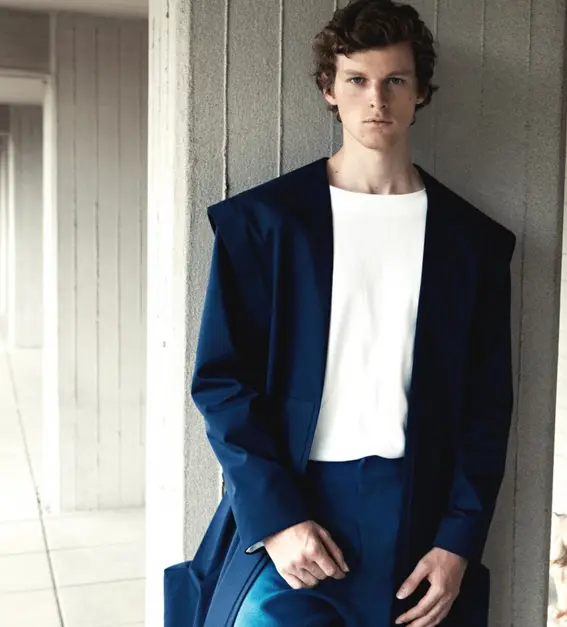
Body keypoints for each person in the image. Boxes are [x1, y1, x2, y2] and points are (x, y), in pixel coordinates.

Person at [162, 1, 516, 626]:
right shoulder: (265, 224)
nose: (376, 99)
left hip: (416, 518)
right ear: (330, 89)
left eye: (395, 79)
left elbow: (487, 407)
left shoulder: (472, 242)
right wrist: (276, 519)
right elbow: (221, 382)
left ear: (420, 92)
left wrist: (458, 541)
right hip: (293, 507)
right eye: (357, 80)